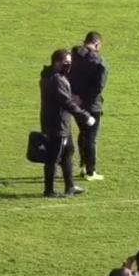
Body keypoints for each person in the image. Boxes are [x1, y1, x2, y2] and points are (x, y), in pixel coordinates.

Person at [39, 48, 94, 198]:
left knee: (68, 152)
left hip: (56, 122)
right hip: (58, 124)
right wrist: (85, 116)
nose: (68, 66)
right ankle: (49, 190)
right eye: (66, 63)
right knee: (53, 158)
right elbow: (66, 102)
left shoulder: (48, 76)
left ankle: (70, 186)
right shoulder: (57, 79)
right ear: (57, 63)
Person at [69, 32, 107, 181]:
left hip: (75, 104)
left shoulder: (73, 56)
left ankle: (83, 166)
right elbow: (98, 86)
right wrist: (84, 97)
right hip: (92, 105)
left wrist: (75, 96)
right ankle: (90, 171)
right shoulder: (99, 62)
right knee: (91, 137)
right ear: (97, 44)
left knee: (83, 134)